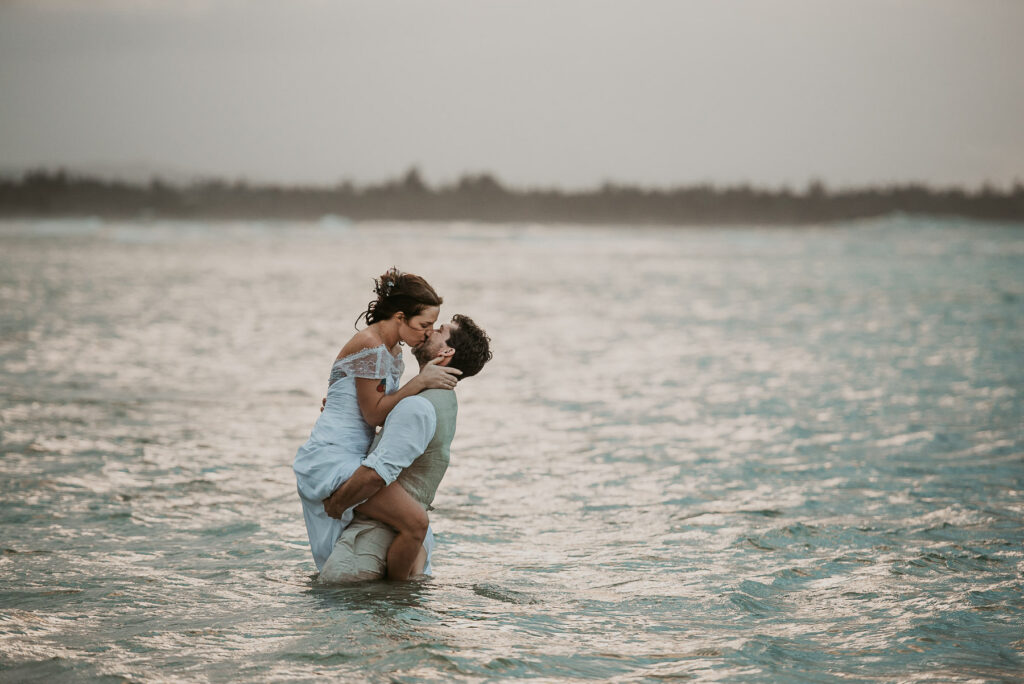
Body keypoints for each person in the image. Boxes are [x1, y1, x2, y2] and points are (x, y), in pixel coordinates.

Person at [293, 268, 461, 576]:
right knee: (414, 522)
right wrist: (420, 382)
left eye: (434, 326)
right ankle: (398, 599)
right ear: (400, 316)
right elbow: (374, 414)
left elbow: (371, 404)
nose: (428, 332)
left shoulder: (393, 350)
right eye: (424, 324)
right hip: (333, 456)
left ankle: (394, 592)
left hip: (354, 453)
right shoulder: (370, 344)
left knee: (412, 524)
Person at [319, 314, 492, 582]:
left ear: (446, 352)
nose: (430, 331)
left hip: (374, 540)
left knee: (330, 602)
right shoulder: (443, 399)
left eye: (440, 330)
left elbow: (377, 474)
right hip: (403, 532)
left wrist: (337, 504)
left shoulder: (418, 406)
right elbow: (400, 442)